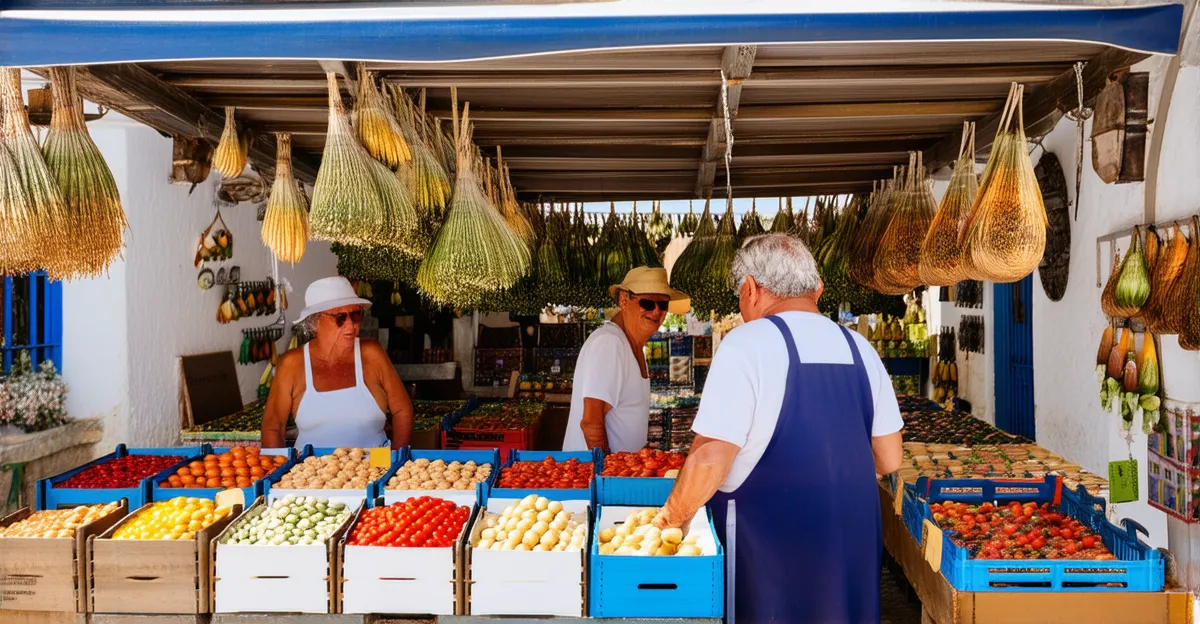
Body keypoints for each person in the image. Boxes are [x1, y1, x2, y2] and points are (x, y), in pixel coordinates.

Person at [653, 234, 903, 624]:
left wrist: (673, 516)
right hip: (847, 546)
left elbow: (710, 456)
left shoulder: (745, 345)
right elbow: (889, 458)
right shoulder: (860, 348)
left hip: (768, 549)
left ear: (750, 289)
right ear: (816, 289)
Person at [262, 276, 414, 450]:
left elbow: (403, 410)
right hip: (311, 472)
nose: (350, 325)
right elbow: (273, 426)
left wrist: (392, 462)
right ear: (315, 322)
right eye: (340, 317)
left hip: (375, 465)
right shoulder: (292, 364)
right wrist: (283, 471)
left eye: (355, 315)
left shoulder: (372, 354)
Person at [562, 267, 689, 453]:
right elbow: (591, 422)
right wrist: (607, 473)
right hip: (596, 477)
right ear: (623, 301)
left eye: (663, 306)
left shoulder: (631, 345)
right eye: (647, 303)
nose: (656, 312)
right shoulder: (610, 343)